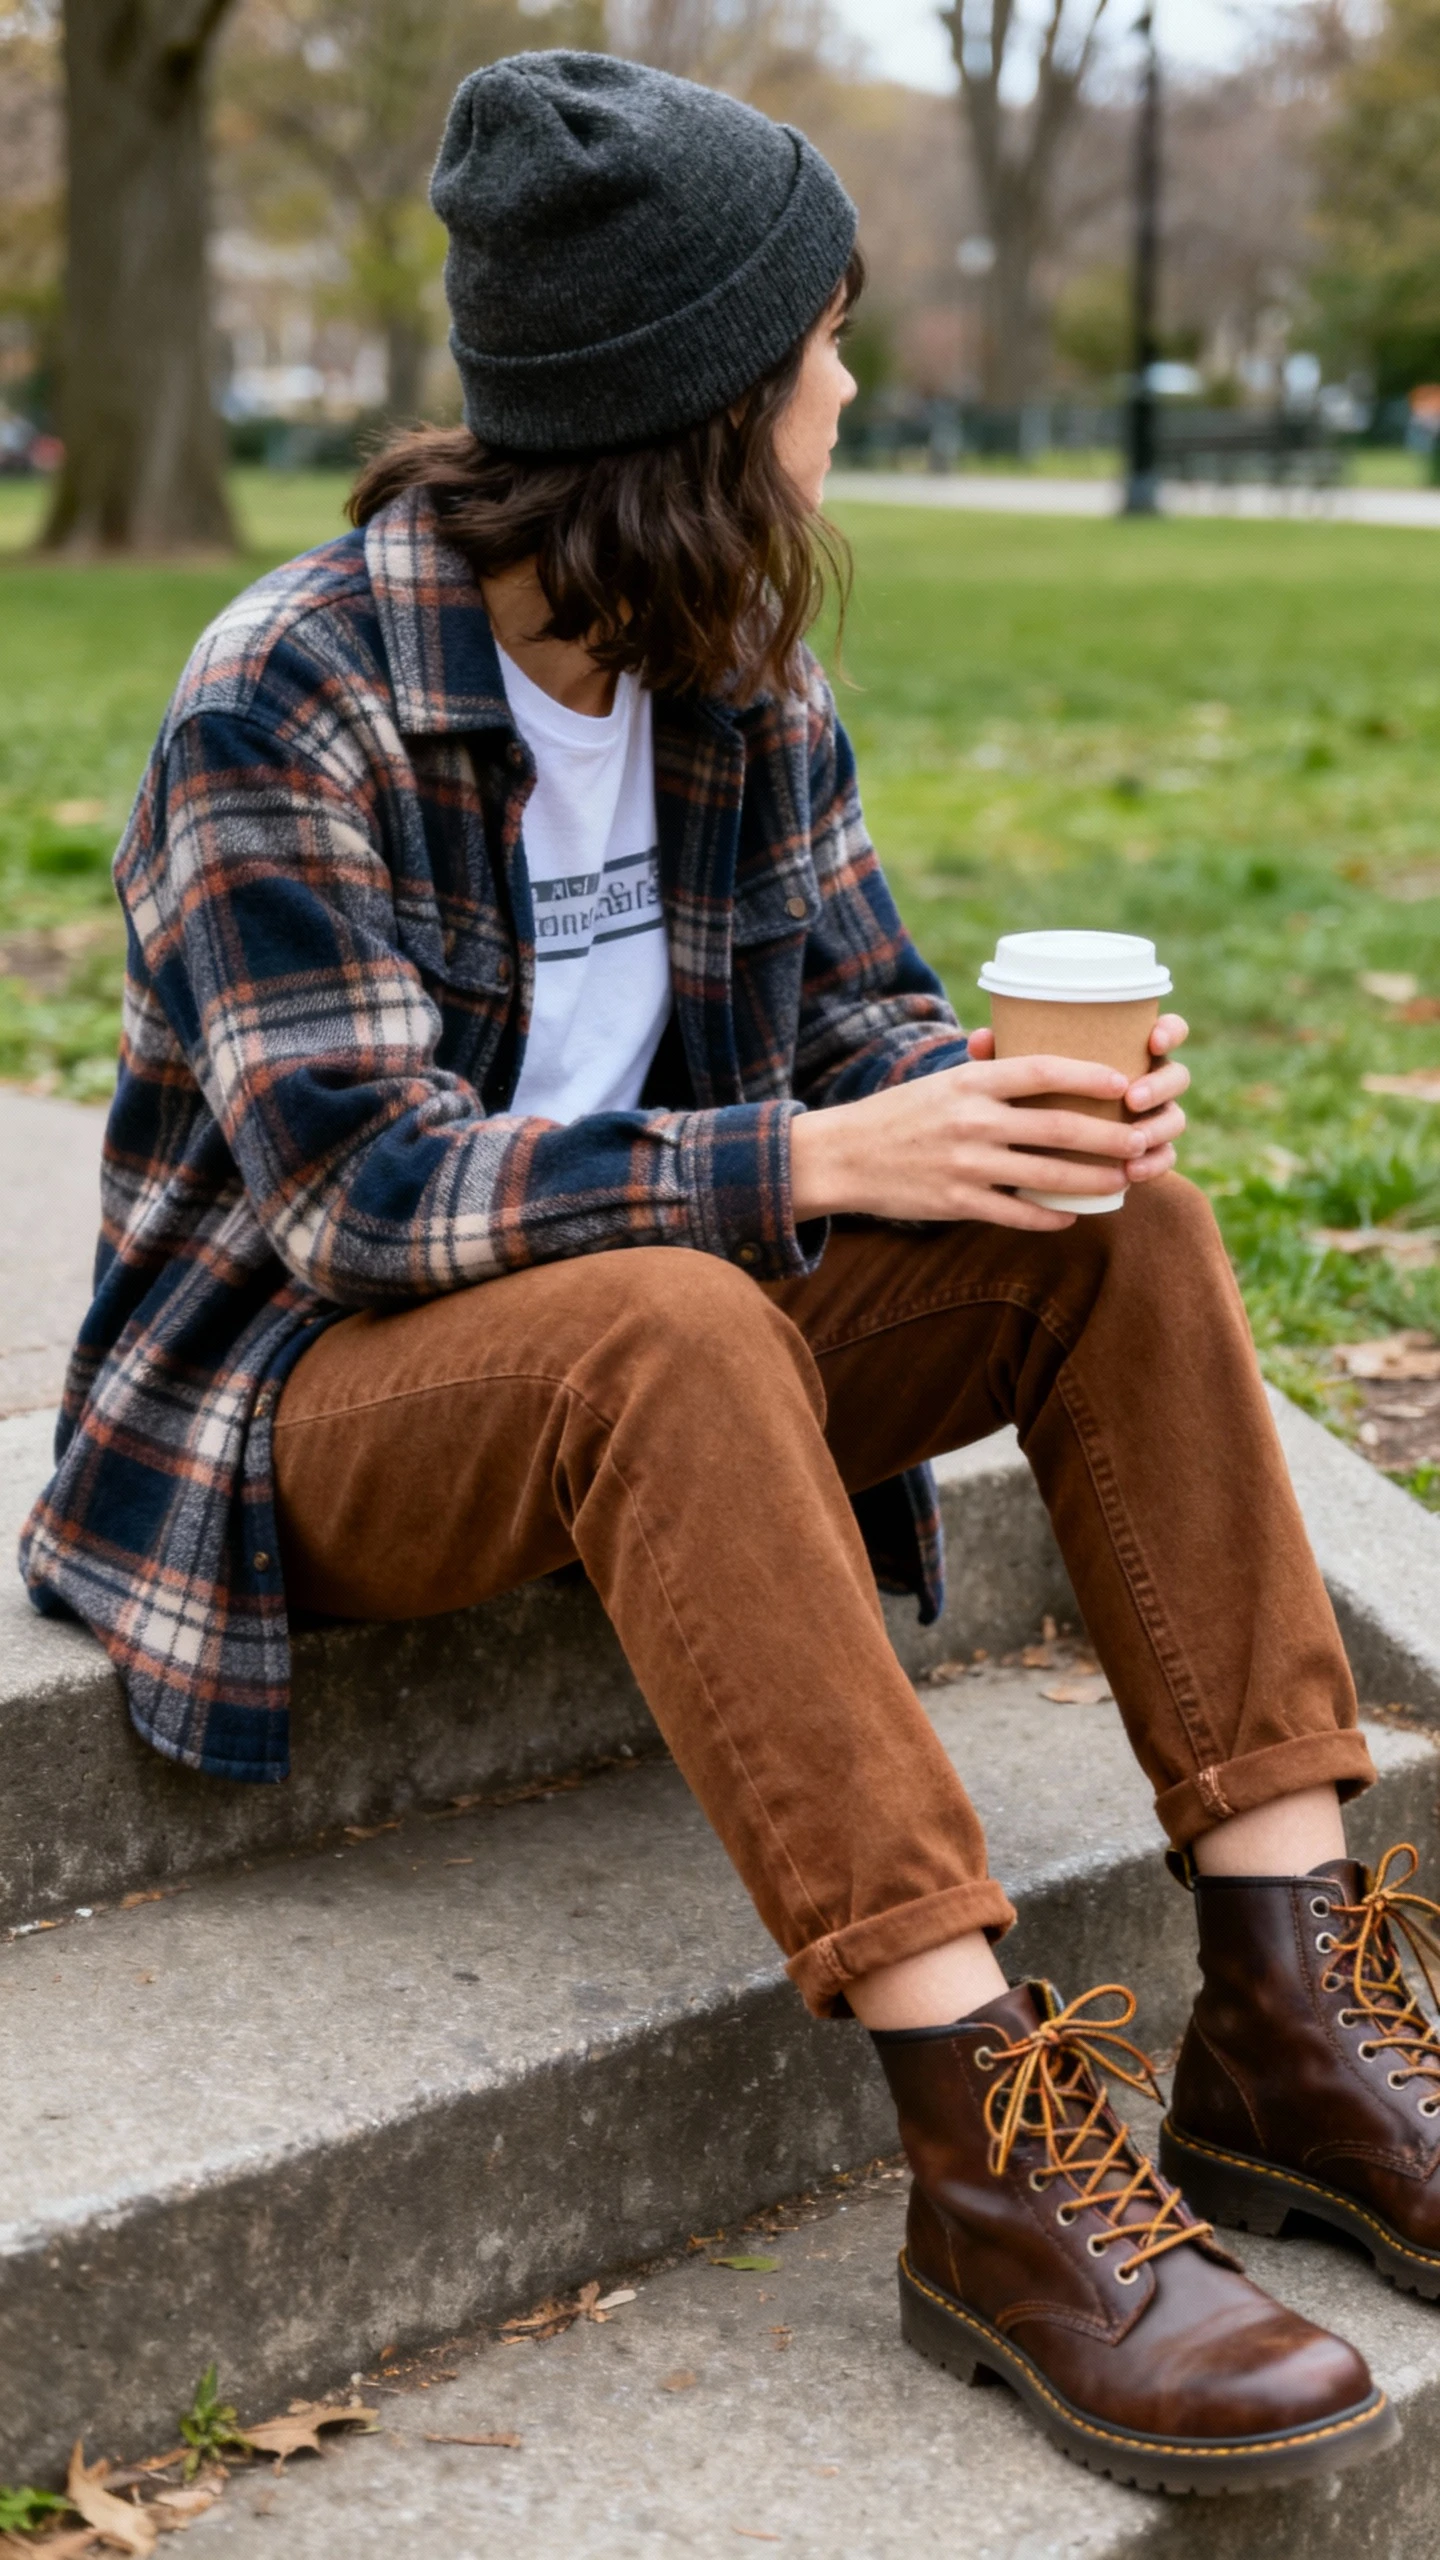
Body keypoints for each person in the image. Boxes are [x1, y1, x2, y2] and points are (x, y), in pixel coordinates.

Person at [21, 48, 1440, 2496]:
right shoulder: (292, 687)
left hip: (640, 1348)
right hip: (306, 1418)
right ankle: (996, 2156)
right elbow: (358, 1190)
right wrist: (811, 1144)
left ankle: (1297, 2013)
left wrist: (998, 1106)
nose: (852, 387)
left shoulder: (729, 657)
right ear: (695, 399)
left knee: (1126, 1225)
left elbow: (856, 1011)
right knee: (675, 1311)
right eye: (823, 345)